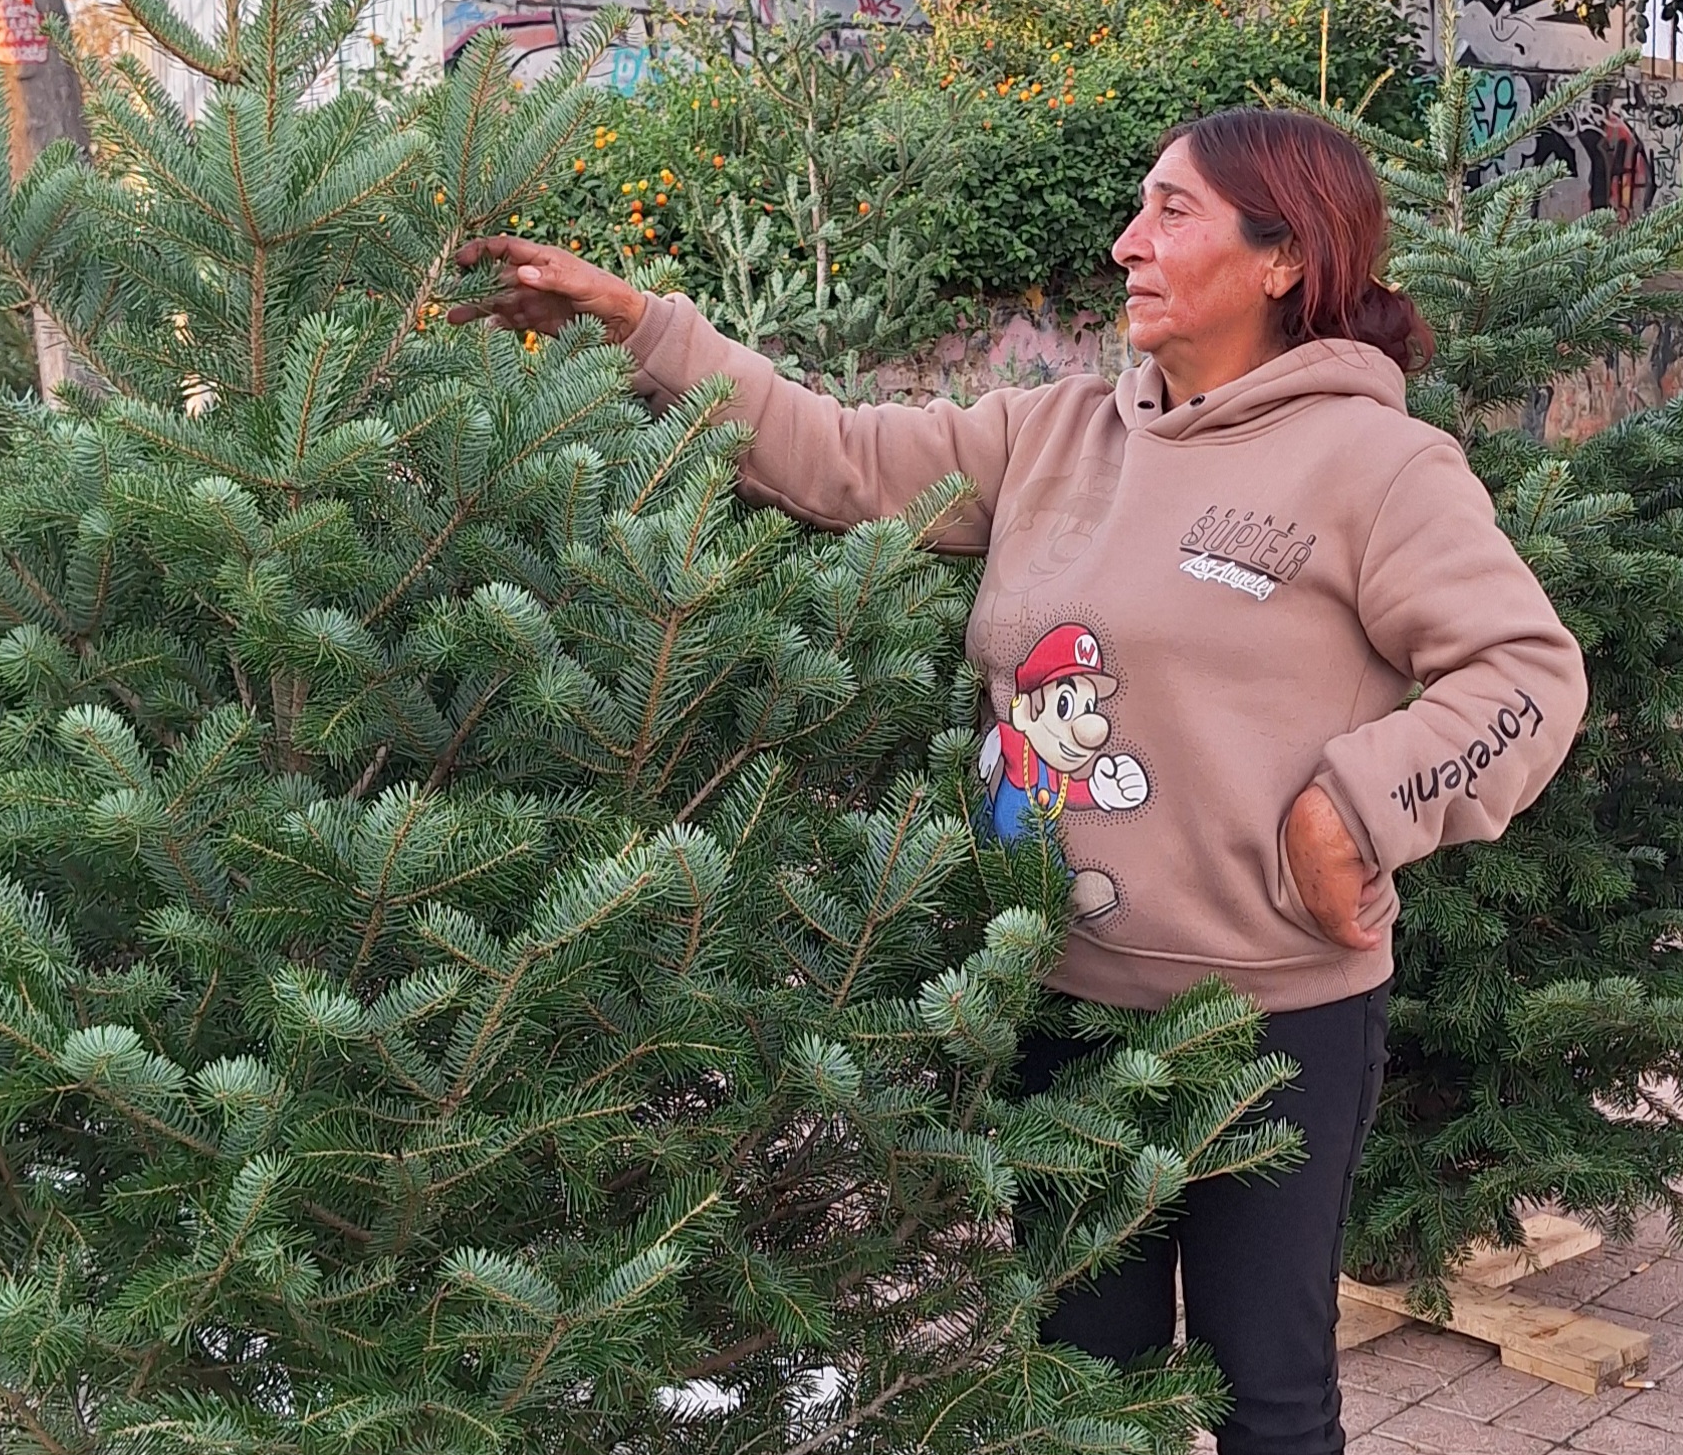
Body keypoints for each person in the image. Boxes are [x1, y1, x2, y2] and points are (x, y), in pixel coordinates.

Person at [454, 107, 1588, 1455]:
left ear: (1287, 257)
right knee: (1078, 1380)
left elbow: (1522, 674)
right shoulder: (1055, 437)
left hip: (1269, 1026)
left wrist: (1355, 805)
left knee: (1268, 1393)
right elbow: (838, 456)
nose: (1129, 244)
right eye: (1138, 209)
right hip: (1061, 997)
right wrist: (642, 324)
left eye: (1173, 213)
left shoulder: (1375, 464)